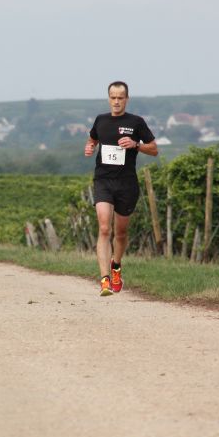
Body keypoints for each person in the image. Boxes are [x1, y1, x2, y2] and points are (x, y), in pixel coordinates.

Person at [84, 81, 158, 296]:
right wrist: (90, 147)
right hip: (103, 181)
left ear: (126, 99)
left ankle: (116, 265)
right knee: (104, 228)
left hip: (126, 183)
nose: (116, 101)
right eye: (113, 97)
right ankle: (104, 279)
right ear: (108, 98)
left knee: (121, 232)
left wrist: (136, 145)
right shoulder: (101, 120)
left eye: (120, 98)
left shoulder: (136, 122)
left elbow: (154, 149)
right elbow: (92, 140)